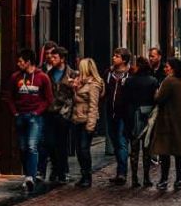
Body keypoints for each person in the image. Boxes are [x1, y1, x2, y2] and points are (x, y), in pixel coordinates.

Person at [6, 49, 54, 193]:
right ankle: (28, 174)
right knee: (22, 147)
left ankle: (30, 177)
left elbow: (48, 99)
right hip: (20, 115)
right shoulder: (15, 77)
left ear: (28, 62)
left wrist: (37, 112)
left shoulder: (43, 78)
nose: (18, 63)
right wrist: (15, 113)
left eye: (21, 61)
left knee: (32, 146)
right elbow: (10, 97)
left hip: (35, 117)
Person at [151, 58, 181, 190]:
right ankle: (179, 179)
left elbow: (159, 98)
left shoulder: (169, 81)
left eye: (168, 67)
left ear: (173, 68)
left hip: (168, 121)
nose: (165, 69)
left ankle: (164, 180)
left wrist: (156, 93)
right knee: (179, 152)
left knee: (164, 151)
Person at [40, 46, 75, 184]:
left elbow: (74, 96)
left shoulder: (72, 74)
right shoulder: (48, 74)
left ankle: (61, 172)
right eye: (51, 57)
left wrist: (68, 112)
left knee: (61, 144)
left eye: (55, 57)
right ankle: (55, 167)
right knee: (49, 143)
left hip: (64, 114)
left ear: (62, 59)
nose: (52, 59)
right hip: (49, 112)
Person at [123, 56, 159, 187]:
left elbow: (125, 101)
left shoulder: (129, 81)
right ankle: (146, 178)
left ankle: (134, 179)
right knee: (147, 148)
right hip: (148, 116)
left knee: (134, 149)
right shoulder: (153, 81)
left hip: (133, 116)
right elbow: (156, 98)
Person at [70, 57, 103, 189]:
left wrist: (91, 125)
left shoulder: (93, 85)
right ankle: (83, 174)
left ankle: (87, 177)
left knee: (84, 149)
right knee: (79, 149)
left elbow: (93, 106)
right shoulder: (79, 82)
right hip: (77, 119)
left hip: (86, 120)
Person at [104, 47, 132, 185]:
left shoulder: (131, 74)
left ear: (124, 60)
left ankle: (122, 173)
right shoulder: (108, 73)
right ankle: (119, 171)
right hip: (111, 113)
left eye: (117, 56)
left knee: (121, 142)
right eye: (114, 55)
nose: (113, 58)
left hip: (124, 114)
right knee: (115, 142)